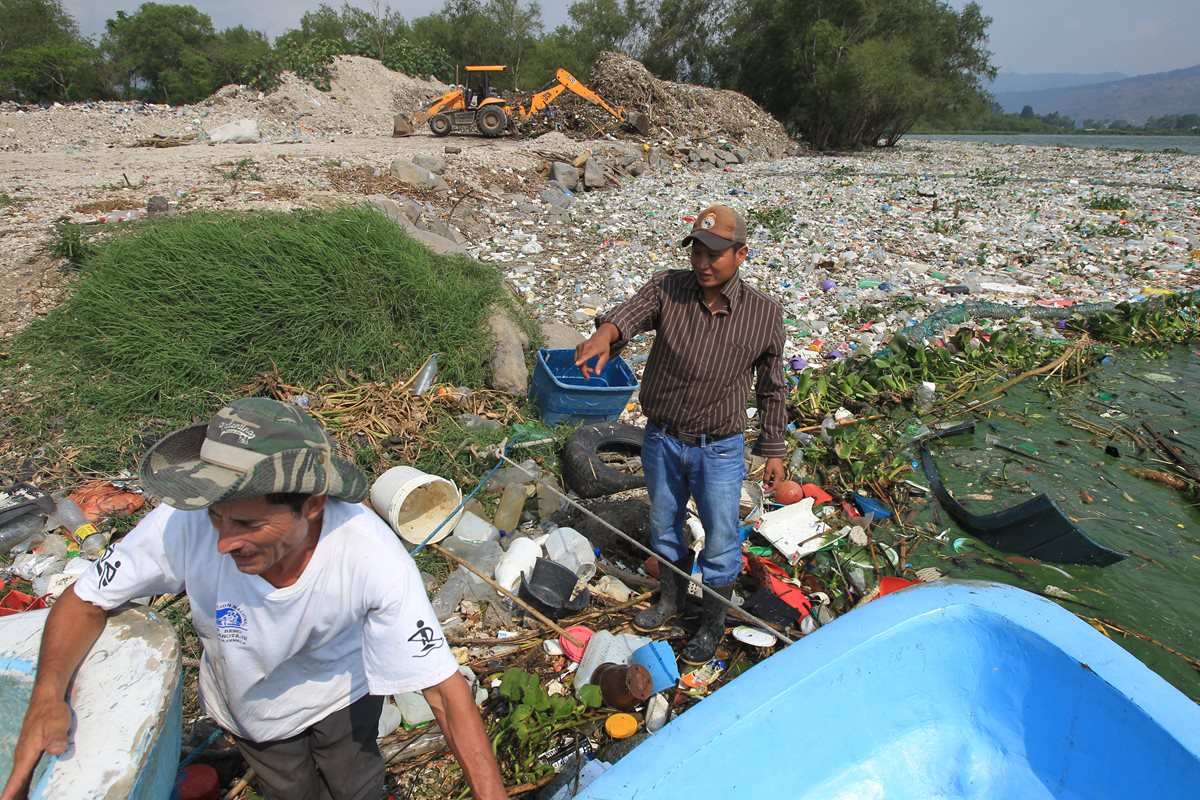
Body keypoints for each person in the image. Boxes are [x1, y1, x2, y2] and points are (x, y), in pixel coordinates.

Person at [1, 398, 507, 800]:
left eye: (248, 524)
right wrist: (46, 696)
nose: (223, 542)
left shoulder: (371, 558)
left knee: (356, 783)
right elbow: (84, 599)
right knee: (291, 789)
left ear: (311, 506)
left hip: (342, 695)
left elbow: (443, 689)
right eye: (218, 519)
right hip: (253, 712)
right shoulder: (183, 522)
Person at [574, 204, 787, 666]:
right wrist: (604, 337)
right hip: (663, 440)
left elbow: (773, 387)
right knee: (664, 527)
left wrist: (773, 449)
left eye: (715, 254)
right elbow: (627, 314)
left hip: (721, 449)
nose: (704, 264)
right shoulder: (667, 288)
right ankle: (669, 601)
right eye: (697, 252)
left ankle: (710, 625)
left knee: (723, 539)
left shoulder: (764, 315)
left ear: (741, 254)